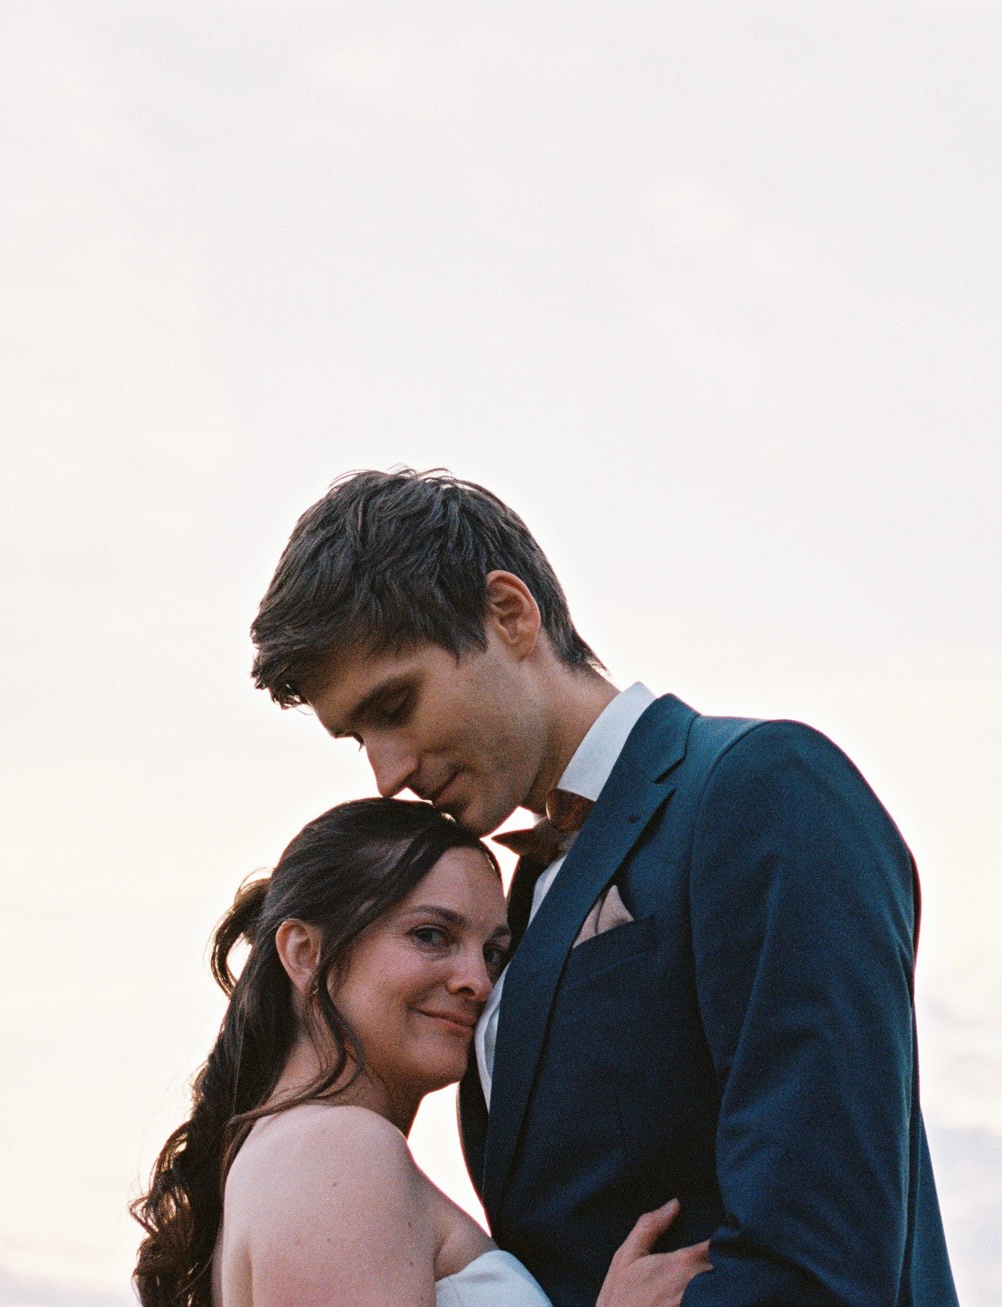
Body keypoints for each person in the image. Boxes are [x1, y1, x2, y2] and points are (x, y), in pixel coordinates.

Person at [248, 470, 960, 1307]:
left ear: (510, 614)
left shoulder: (759, 788)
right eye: (358, 737)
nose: (388, 772)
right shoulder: (513, 905)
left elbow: (824, 1254)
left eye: (397, 704)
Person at [132, 798, 712, 1307]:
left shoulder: (294, 1152)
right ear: (306, 954)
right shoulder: (338, 1150)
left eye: (492, 953)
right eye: (431, 935)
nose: (477, 982)